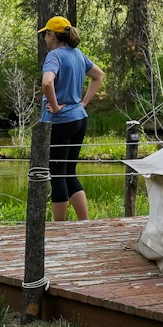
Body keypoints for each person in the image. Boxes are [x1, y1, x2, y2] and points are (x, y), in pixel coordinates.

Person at [38, 17, 105, 221]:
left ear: (52, 35)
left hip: (60, 122)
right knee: (69, 171)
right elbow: (99, 75)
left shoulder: (54, 56)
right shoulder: (77, 55)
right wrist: (83, 103)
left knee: (57, 172)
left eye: (45, 34)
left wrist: (56, 107)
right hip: (79, 120)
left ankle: (60, 228)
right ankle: (84, 224)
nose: (44, 39)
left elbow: (47, 83)